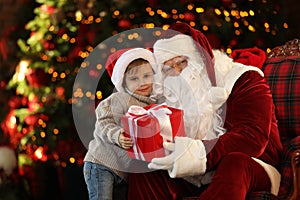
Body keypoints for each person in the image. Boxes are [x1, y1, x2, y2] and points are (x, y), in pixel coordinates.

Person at [127, 22, 283, 199]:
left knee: (234, 163)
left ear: (199, 59)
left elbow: (252, 138)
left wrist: (195, 154)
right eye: (169, 68)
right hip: (192, 176)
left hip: (253, 166)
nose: (178, 72)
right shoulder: (167, 93)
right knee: (146, 166)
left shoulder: (243, 78)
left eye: (182, 62)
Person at [83, 47, 159, 200]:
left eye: (146, 76)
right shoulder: (120, 98)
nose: (142, 83)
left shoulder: (152, 106)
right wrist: (117, 135)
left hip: (123, 171)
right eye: (134, 79)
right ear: (124, 82)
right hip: (101, 163)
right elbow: (104, 119)